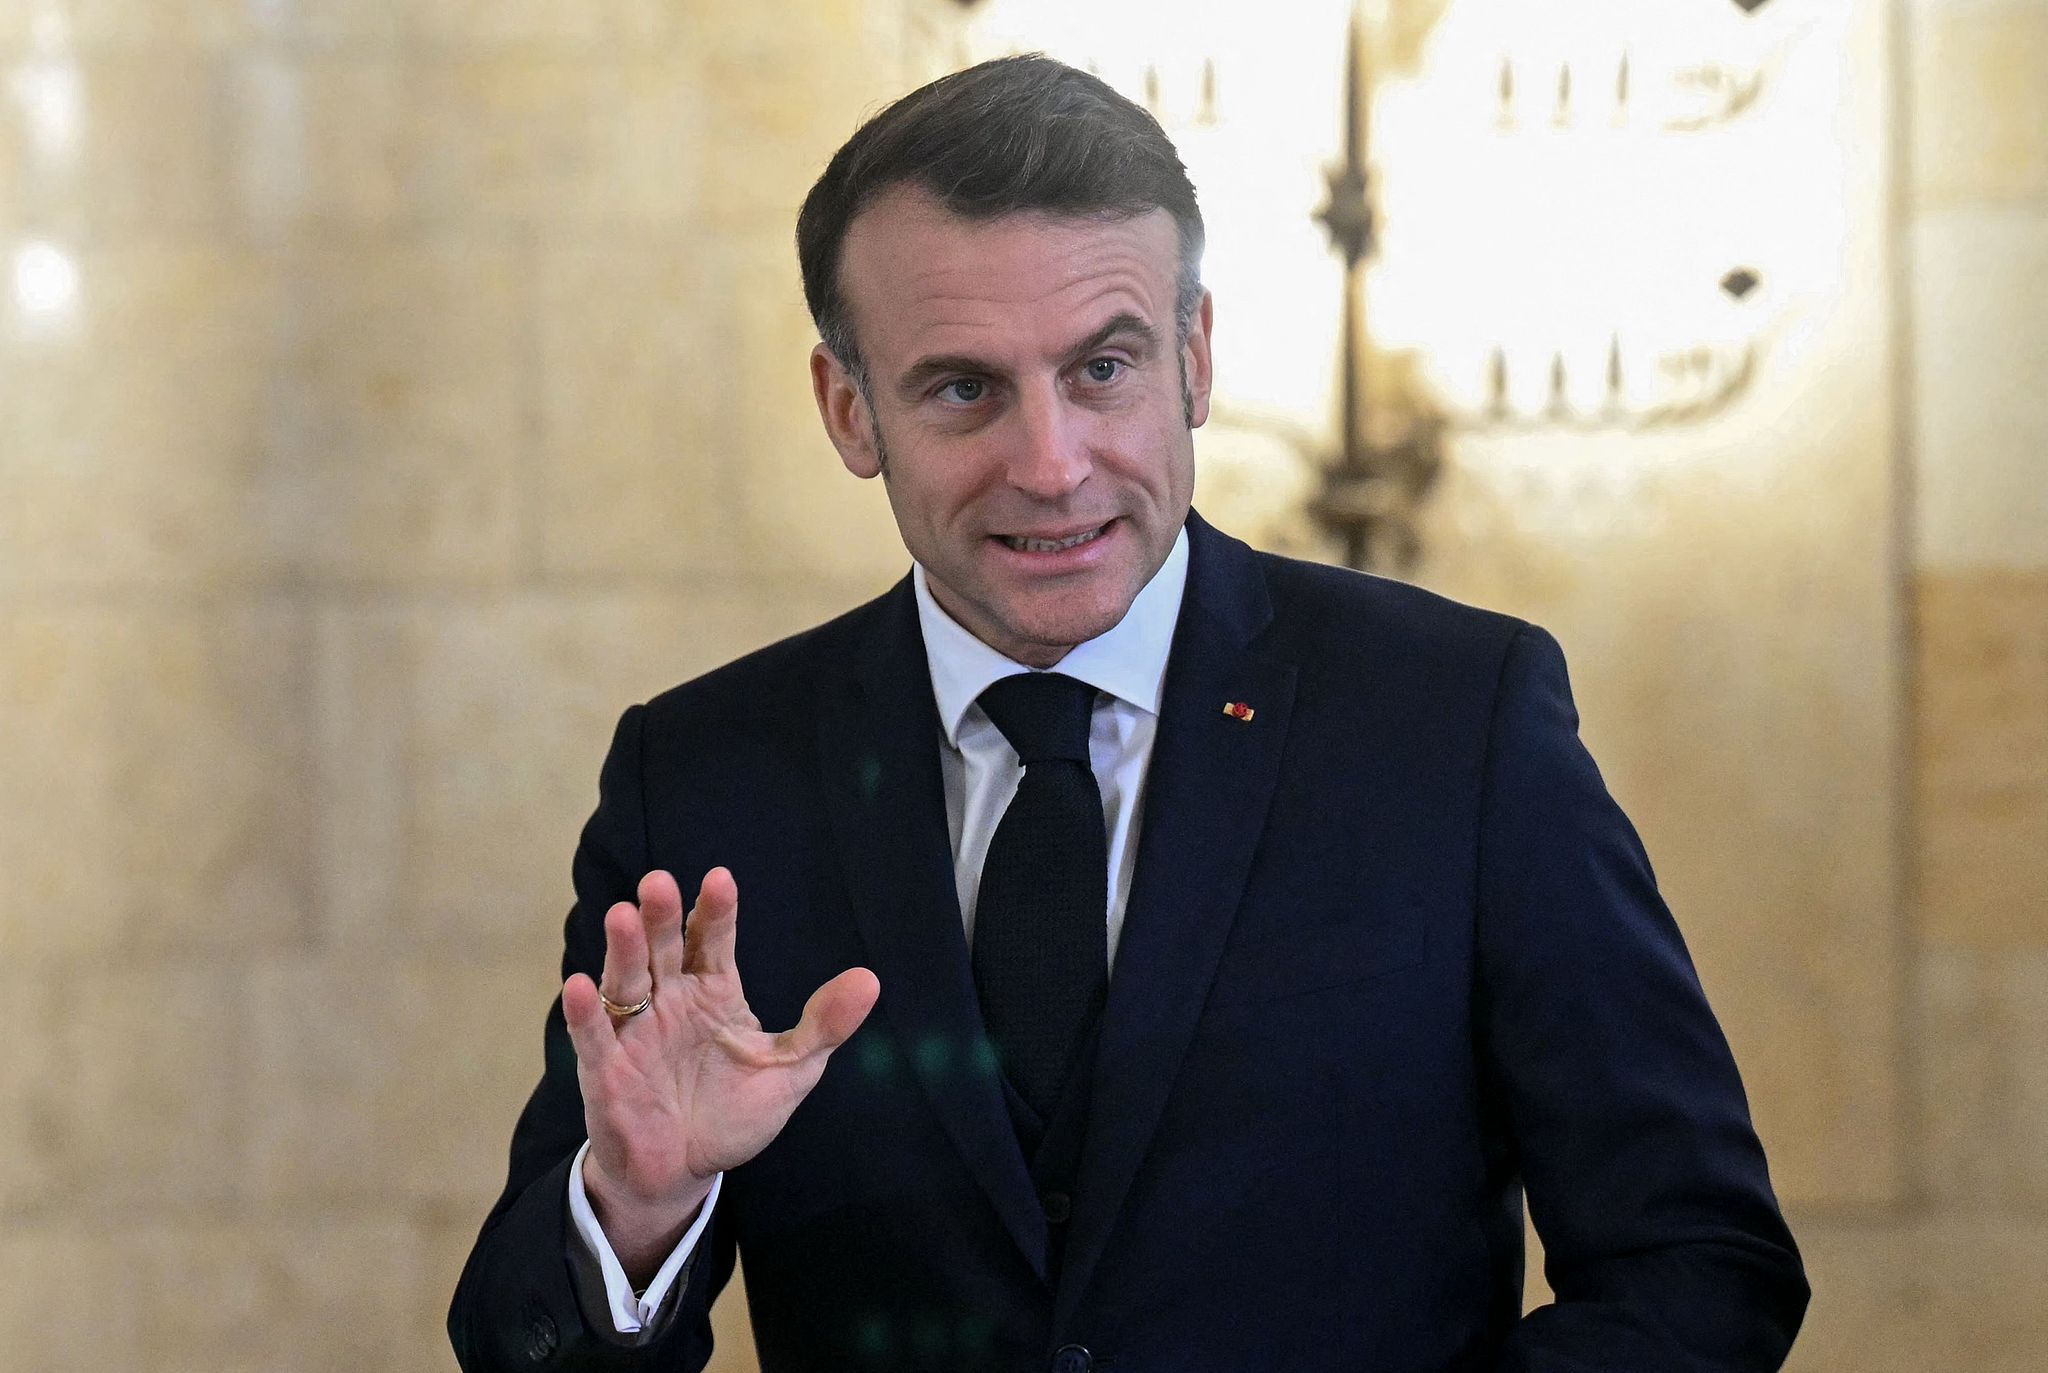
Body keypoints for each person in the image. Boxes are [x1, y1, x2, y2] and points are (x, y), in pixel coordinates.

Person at [448, 54, 1807, 1373]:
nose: (1052, 465)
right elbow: (519, 1342)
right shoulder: (702, 779)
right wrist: (635, 1208)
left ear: (1195, 358)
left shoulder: (1457, 721)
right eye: (965, 389)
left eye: (1103, 368)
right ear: (849, 410)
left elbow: (1698, 1263)